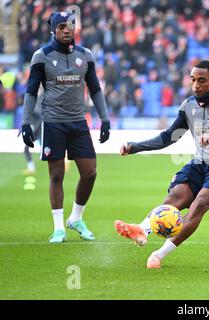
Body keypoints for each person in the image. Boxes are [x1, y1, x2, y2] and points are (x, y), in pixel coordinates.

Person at [114, 60, 209, 269]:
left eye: (202, 80)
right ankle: (142, 229)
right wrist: (136, 146)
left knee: (200, 202)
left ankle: (159, 254)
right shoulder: (188, 106)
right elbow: (169, 137)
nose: (196, 85)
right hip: (199, 163)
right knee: (176, 197)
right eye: (193, 80)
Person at [21, 12, 111, 243]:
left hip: (78, 122)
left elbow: (95, 89)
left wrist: (105, 119)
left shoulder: (86, 55)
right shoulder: (42, 56)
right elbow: (31, 92)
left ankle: (76, 218)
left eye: (71, 25)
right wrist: (26, 122)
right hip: (53, 122)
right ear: (53, 29)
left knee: (90, 173)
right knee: (57, 175)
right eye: (62, 26)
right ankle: (59, 227)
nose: (68, 30)